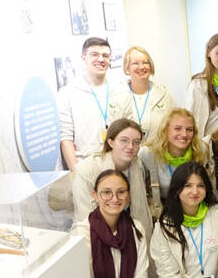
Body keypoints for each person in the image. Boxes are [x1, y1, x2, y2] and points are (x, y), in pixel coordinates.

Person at [73, 118, 153, 235]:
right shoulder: (87, 169)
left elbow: (141, 212)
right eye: (124, 140)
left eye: (136, 142)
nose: (131, 146)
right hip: (94, 234)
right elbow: (85, 215)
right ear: (111, 142)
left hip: (127, 228)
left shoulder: (137, 164)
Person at [139, 108, 214, 219]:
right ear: (165, 130)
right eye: (177, 129)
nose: (184, 134)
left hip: (193, 208)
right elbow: (139, 193)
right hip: (160, 212)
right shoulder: (147, 154)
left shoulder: (201, 150)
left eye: (189, 130)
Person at [59, 36, 118, 171]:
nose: (101, 59)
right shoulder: (68, 93)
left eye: (105, 55)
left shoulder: (119, 90)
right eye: (94, 54)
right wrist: (76, 173)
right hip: (85, 167)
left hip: (117, 165)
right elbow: (66, 138)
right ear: (83, 57)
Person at [109, 46, 175, 140]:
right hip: (128, 148)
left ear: (151, 66)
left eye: (145, 63)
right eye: (135, 63)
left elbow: (174, 125)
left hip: (157, 148)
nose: (141, 67)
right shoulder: (118, 96)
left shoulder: (163, 95)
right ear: (127, 68)